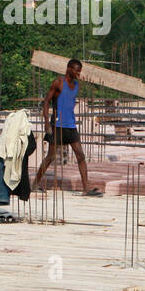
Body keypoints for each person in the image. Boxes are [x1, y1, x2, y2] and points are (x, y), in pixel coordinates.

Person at [32, 58, 102, 196]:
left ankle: (86, 189)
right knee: (50, 157)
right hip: (57, 125)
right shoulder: (58, 82)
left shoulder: (76, 85)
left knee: (80, 155)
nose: (78, 74)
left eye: (79, 71)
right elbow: (46, 102)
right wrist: (47, 122)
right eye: (77, 71)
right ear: (69, 69)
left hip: (70, 125)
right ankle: (34, 184)